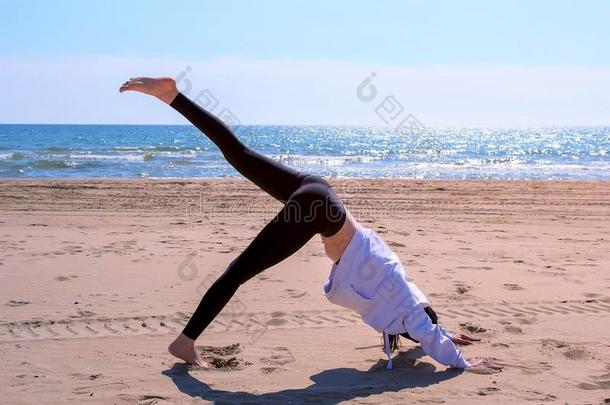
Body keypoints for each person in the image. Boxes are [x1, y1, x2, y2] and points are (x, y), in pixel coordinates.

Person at [119, 77, 502, 372]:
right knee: (239, 270)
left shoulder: (404, 291)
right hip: (316, 208)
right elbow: (422, 326)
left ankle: (172, 95)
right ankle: (184, 342)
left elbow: (422, 321)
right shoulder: (400, 300)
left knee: (240, 154)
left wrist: (441, 331)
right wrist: (460, 362)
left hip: (318, 191)